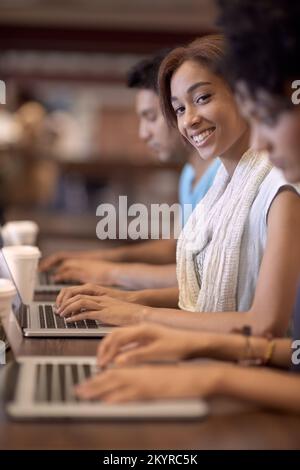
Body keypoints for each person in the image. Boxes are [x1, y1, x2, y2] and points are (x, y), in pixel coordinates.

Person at [72, 2, 300, 413]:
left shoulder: (281, 189)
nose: (189, 119)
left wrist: (139, 314)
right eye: (178, 109)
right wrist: (133, 305)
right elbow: (207, 289)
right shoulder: (224, 187)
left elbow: (265, 325)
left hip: (255, 386)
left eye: (203, 98)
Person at [40, 52, 220, 290]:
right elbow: (180, 247)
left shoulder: (222, 175)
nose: (143, 133)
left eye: (151, 117)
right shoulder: (190, 173)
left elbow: (206, 277)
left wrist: (112, 273)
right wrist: (103, 259)